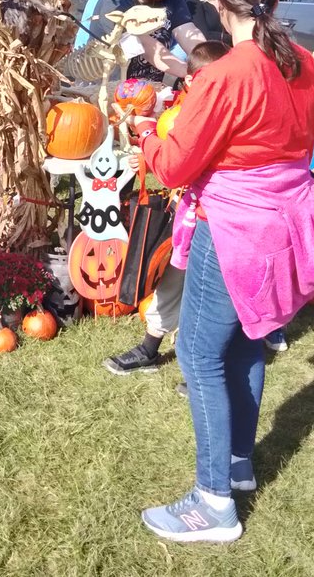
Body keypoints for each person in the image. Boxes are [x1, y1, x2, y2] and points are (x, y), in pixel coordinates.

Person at [131, 0, 314, 543]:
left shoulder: (227, 74)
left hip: (234, 227)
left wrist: (146, 135)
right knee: (249, 341)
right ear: (274, 0)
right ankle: (238, 463)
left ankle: (212, 503)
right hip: (282, 222)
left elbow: (174, 166)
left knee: (199, 354)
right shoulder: (305, 63)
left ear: (221, 6)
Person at [104, 39, 230, 378]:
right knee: (173, 278)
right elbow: (173, 158)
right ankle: (150, 347)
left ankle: (208, 369)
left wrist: (148, 139)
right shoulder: (183, 111)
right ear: (190, 80)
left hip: (222, 216)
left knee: (214, 292)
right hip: (190, 212)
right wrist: (148, 155)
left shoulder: (229, 110)